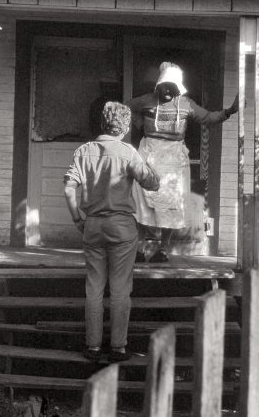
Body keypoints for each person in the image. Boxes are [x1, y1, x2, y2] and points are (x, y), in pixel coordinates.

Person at [63, 101, 160, 362]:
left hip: (93, 225)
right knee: (120, 289)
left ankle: (93, 347)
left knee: (94, 287)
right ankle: (118, 347)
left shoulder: (84, 151)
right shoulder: (127, 152)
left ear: (102, 123)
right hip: (122, 227)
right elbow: (151, 183)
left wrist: (77, 220)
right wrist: (154, 169)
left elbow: (68, 188)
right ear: (125, 126)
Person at [128, 62, 239, 262]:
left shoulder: (186, 104)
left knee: (172, 204)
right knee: (141, 202)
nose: (169, 90)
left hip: (174, 159)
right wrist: (139, 124)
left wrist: (229, 111)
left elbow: (208, 118)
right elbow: (126, 108)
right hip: (149, 156)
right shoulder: (147, 100)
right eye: (165, 86)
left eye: (173, 87)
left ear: (179, 88)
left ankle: (162, 250)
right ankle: (139, 249)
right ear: (158, 85)